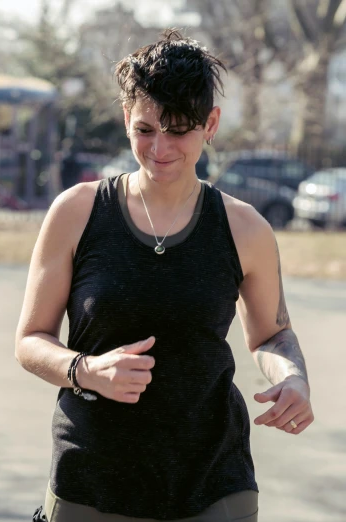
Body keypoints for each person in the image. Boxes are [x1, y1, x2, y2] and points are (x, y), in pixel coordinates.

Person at [16, 30, 313, 522]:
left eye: (179, 130)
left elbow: (272, 334)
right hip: (92, 478)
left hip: (213, 481)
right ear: (125, 119)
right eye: (145, 129)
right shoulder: (77, 212)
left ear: (210, 124)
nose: (160, 147)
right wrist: (84, 370)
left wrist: (294, 378)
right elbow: (30, 339)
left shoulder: (245, 228)